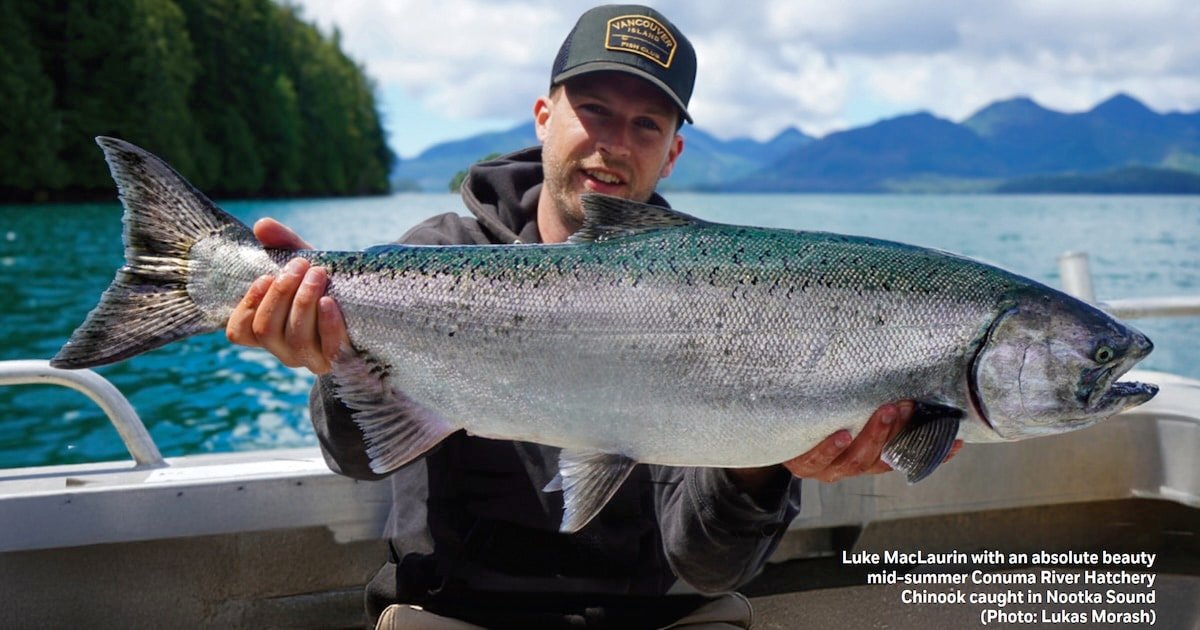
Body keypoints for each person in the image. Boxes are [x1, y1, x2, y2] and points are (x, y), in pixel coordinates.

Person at [227, 5, 958, 628]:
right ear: (545, 118)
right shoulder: (434, 259)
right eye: (595, 111)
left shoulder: (737, 298)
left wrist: (762, 464)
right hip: (458, 615)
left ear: (672, 155)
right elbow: (356, 456)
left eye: (645, 125)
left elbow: (708, 568)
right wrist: (327, 361)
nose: (614, 144)